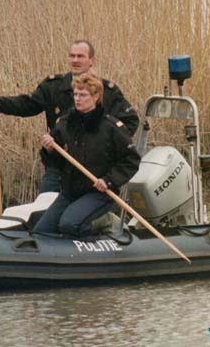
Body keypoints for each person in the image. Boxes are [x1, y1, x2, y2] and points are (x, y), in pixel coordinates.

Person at [0, 40, 138, 193]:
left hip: (92, 173)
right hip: (59, 166)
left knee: (78, 216)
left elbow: (130, 121)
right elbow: (27, 104)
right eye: (72, 56)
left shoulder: (107, 91)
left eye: (80, 56)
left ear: (91, 60)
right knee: (44, 211)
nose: (75, 60)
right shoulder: (53, 87)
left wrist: (103, 147)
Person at [33, 73, 141, 237]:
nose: (77, 99)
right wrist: (50, 149)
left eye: (83, 95)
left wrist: (108, 180)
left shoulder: (111, 127)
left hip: (99, 193)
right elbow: (55, 163)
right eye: (75, 94)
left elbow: (131, 159)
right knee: (42, 231)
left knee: (69, 225)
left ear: (96, 96)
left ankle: (105, 223)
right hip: (70, 192)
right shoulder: (65, 124)